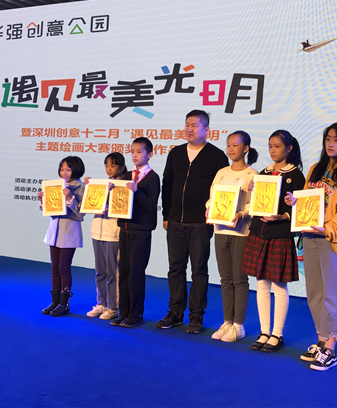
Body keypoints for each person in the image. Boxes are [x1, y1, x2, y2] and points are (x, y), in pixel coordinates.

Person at [286, 121, 337, 371]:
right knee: (314, 292)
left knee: (330, 293)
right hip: (310, 236)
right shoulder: (315, 170)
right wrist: (295, 202)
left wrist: (328, 228)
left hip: (331, 239)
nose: (331, 144)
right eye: (328, 139)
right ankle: (321, 340)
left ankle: (330, 347)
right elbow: (309, 203)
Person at [158, 110, 229, 334]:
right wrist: (166, 215)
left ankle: (196, 315)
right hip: (175, 221)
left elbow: (222, 191)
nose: (189, 129)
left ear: (207, 129)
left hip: (201, 223)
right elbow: (167, 184)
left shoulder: (217, 156)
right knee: (175, 268)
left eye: (195, 125)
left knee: (199, 270)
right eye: (187, 124)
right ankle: (175, 312)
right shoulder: (176, 153)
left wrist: (213, 217)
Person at [242, 130, 305, 352]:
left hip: (279, 234)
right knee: (261, 284)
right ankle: (264, 332)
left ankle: (277, 334)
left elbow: (300, 207)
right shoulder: (264, 173)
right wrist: (253, 191)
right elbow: (259, 203)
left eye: (277, 146)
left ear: (289, 148)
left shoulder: (296, 176)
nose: (273, 150)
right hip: (260, 232)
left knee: (279, 285)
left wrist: (284, 216)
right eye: (270, 146)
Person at [207, 131, 258, 343]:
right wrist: (209, 209)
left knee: (239, 279)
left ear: (245, 148)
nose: (231, 149)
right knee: (225, 279)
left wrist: (242, 214)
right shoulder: (221, 173)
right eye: (228, 145)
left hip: (241, 232)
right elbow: (212, 198)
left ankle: (239, 325)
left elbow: (254, 204)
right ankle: (227, 322)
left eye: (235, 145)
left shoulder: (252, 175)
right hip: (220, 230)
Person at [110, 138, 161, 328]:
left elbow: (151, 205)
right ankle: (123, 313)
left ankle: (136, 314)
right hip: (125, 229)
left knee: (136, 273)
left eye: (139, 152)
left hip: (141, 231)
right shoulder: (127, 176)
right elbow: (118, 201)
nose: (134, 155)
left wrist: (137, 191)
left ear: (150, 154)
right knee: (124, 271)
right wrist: (110, 189)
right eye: (132, 151)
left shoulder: (153, 177)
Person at [38, 156, 86, 317]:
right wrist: (42, 201)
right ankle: (55, 301)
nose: (64, 172)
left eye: (68, 169)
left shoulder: (81, 188)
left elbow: (81, 213)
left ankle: (64, 304)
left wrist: (69, 198)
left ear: (76, 170)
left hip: (69, 230)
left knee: (64, 267)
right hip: (54, 229)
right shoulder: (56, 186)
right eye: (62, 169)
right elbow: (49, 210)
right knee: (54, 267)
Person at [85, 152, 127, 321]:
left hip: (112, 234)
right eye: (107, 165)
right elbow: (90, 205)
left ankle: (113, 306)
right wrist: (90, 190)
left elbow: (123, 208)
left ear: (122, 168)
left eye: (113, 165)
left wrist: (112, 192)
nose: (109, 169)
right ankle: (101, 303)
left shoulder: (123, 186)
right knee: (100, 272)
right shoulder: (101, 185)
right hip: (97, 232)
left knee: (112, 273)